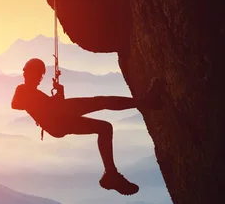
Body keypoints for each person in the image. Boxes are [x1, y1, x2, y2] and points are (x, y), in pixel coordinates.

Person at [11, 58, 163, 195]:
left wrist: (58, 95)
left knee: (104, 128)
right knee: (101, 102)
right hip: (58, 119)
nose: (39, 78)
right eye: (38, 74)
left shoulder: (32, 93)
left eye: (40, 75)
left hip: (59, 120)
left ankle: (110, 173)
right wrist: (50, 101)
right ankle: (145, 102)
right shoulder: (23, 90)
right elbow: (16, 104)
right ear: (28, 73)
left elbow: (45, 105)